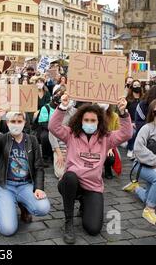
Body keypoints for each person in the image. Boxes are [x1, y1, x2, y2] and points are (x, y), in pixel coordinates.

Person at [49, 94, 132, 244]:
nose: (89, 123)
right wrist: (62, 107)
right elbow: (53, 127)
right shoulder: (71, 134)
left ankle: (84, 204)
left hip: (93, 187)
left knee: (93, 229)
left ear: (99, 122)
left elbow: (126, 133)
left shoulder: (106, 137)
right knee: (69, 177)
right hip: (71, 183)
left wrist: (123, 113)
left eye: (93, 120)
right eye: (86, 120)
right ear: (80, 121)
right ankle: (69, 222)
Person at [0, 109, 50, 237]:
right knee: (8, 229)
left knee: (43, 208)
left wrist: (39, 188)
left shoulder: (32, 140)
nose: (16, 124)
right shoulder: (3, 139)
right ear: (8, 123)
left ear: (24, 122)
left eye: (19, 121)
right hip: (5, 185)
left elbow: (38, 166)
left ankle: (21, 203)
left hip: (25, 185)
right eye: (13, 121)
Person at [49, 90, 77, 179]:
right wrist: (59, 153)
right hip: (60, 148)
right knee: (60, 174)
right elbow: (52, 133)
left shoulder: (77, 113)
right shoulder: (57, 112)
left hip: (73, 147)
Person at [99, 104, 120, 180]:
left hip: (109, 143)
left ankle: (107, 169)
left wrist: (110, 147)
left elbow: (118, 133)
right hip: (94, 143)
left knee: (111, 157)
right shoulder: (91, 114)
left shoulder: (114, 116)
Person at [126, 80, 144, 159]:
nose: (137, 87)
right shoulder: (128, 99)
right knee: (133, 132)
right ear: (132, 87)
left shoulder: (143, 99)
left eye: (138, 85)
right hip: (131, 121)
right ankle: (130, 148)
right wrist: (130, 122)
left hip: (141, 121)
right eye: (135, 85)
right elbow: (126, 112)